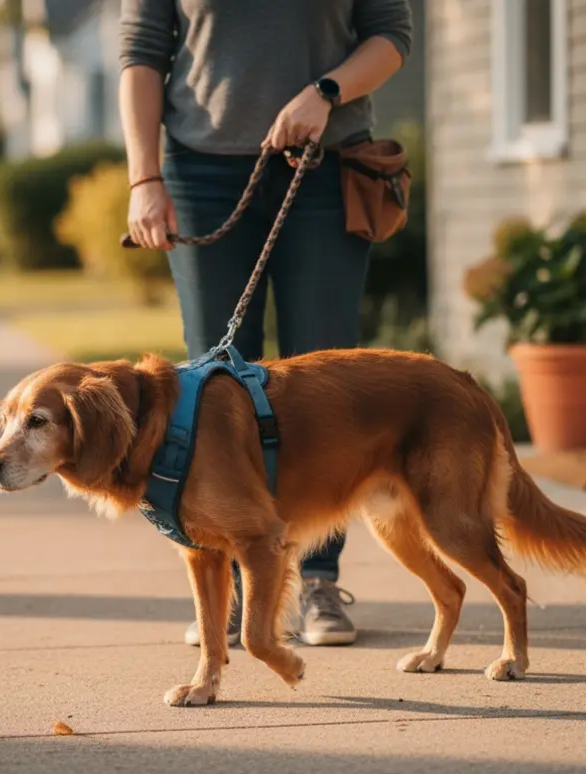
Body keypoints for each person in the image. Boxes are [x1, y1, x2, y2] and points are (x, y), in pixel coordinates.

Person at [118, 0, 413, 648]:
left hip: (327, 161)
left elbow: (391, 35)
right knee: (215, 388)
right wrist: (144, 176)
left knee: (327, 385)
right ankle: (226, 585)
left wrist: (326, 92)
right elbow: (141, 52)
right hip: (199, 168)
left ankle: (317, 580)